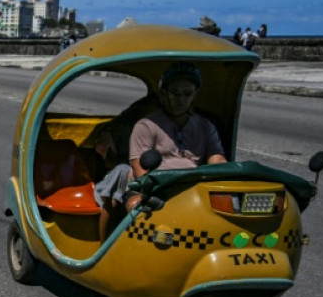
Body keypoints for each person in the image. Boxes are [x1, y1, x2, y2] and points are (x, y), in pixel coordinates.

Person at [95, 62, 226, 238]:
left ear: (195, 95)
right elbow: (140, 170)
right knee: (137, 206)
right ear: (165, 94)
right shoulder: (147, 126)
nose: (181, 99)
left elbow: (217, 160)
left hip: (192, 188)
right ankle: (109, 250)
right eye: (175, 93)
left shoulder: (205, 126)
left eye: (187, 94)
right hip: (155, 188)